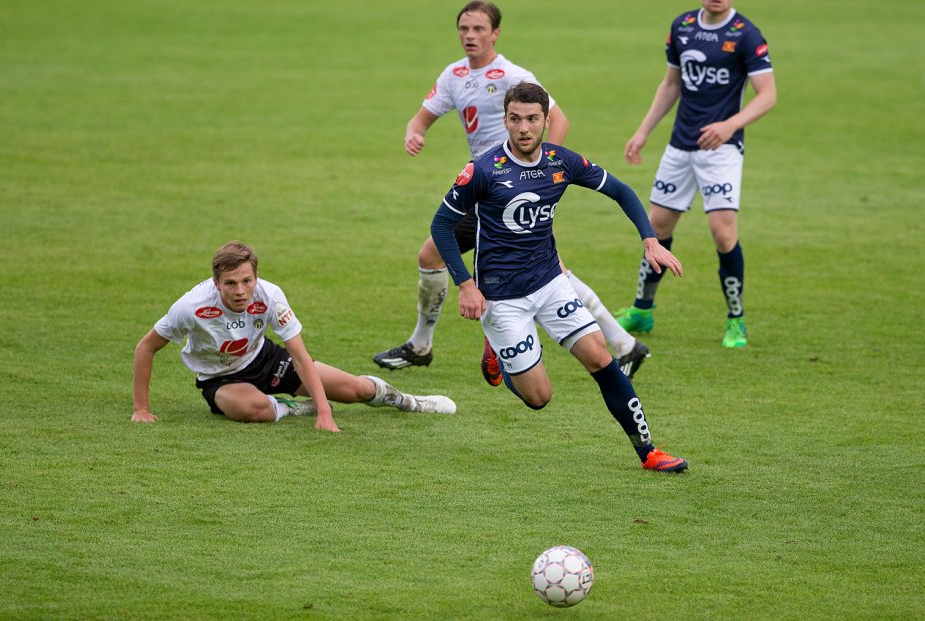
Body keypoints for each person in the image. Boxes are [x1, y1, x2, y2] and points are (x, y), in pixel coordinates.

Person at [373, 1, 651, 380]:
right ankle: (625, 345)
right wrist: (414, 132)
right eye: (464, 29)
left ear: (496, 34)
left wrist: (542, 176)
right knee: (546, 272)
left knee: (546, 274)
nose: (470, 36)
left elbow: (560, 119)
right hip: (486, 189)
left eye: (478, 29)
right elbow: (421, 118)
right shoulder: (453, 75)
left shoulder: (513, 75)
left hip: (509, 192)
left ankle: (424, 345)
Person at [430, 82, 689, 473]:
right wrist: (466, 285)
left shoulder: (561, 161)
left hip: (550, 282)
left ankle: (648, 452)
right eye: (515, 119)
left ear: (547, 121)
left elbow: (620, 190)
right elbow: (441, 226)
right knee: (539, 398)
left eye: (533, 119)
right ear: (505, 120)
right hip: (501, 298)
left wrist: (650, 240)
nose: (524, 128)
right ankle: (499, 347)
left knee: (601, 357)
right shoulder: (482, 171)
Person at [132, 241, 457, 431]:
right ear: (216, 283)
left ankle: (411, 402)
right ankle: (290, 407)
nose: (240, 291)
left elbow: (300, 357)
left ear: (256, 276)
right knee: (253, 409)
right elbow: (146, 348)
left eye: (247, 281)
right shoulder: (190, 307)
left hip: (268, 360)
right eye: (230, 284)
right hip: (221, 380)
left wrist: (326, 411)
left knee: (355, 389)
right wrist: (141, 409)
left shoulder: (270, 296)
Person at [614, 0, 776, 348]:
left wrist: (729, 125)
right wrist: (644, 131)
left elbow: (768, 95)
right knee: (656, 227)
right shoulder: (683, 26)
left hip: (721, 150)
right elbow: (671, 84)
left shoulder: (746, 35)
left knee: (722, 233)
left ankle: (736, 320)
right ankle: (642, 310)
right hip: (680, 146)